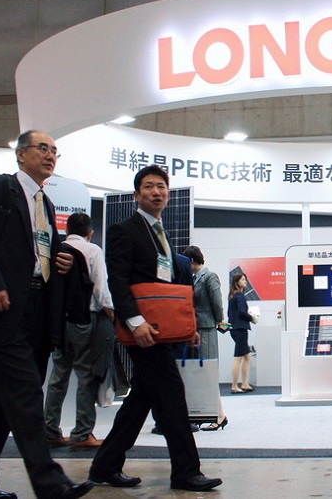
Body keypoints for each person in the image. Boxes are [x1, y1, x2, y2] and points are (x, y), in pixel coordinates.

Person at [0, 130, 93, 498]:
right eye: (42, 148)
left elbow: (40, 252)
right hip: (2, 308)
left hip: (37, 311)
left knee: (1, 404)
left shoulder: (46, 204)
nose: (50, 156)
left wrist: (63, 260)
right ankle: (50, 483)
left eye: (55, 151)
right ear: (21, 154)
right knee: (25, 397)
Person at [88, 165, 222, 492]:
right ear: (137, 195)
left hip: (163, 328)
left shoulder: (161, 233)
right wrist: (135, 323)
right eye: (148, 186)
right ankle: (186, 472)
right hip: (143, 330)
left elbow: (169, 288)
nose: (156, 192)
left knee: (141, 399)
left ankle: (105, 466)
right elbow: (118, 281)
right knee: (172, 395)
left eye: (161, 186)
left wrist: (186, 326)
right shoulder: (124, 230)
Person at [44, 213, 115, 449]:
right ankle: (82, 434)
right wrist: (113, 316)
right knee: (86, 376)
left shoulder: (57, 249)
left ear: (67, 230)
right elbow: (100, 289)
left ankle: (50, 431)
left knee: (58, 375)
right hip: (84, 319)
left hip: (58, 321)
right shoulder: (92, 250)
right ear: (90, 233)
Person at [183, 245, 228, 430]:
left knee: (208, 372)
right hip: (197, 329)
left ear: (193, 261)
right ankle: (214, 414)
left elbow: (217, 302)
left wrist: (219, 320)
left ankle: (219, 416)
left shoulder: (210, 276)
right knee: (201, 373)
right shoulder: (194, 278)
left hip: (207, 328)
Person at [228, 272, 256, 394]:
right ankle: (234, 386)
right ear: (237, 282)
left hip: (235, 329)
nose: (245, 282)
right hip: (240, 329)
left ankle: (244, 383)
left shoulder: (232, 296)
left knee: (247, 356)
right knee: (238, 358)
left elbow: (230, 313)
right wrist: (252, 318)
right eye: (243, 280)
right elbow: (242, 312)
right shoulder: (239, 296)